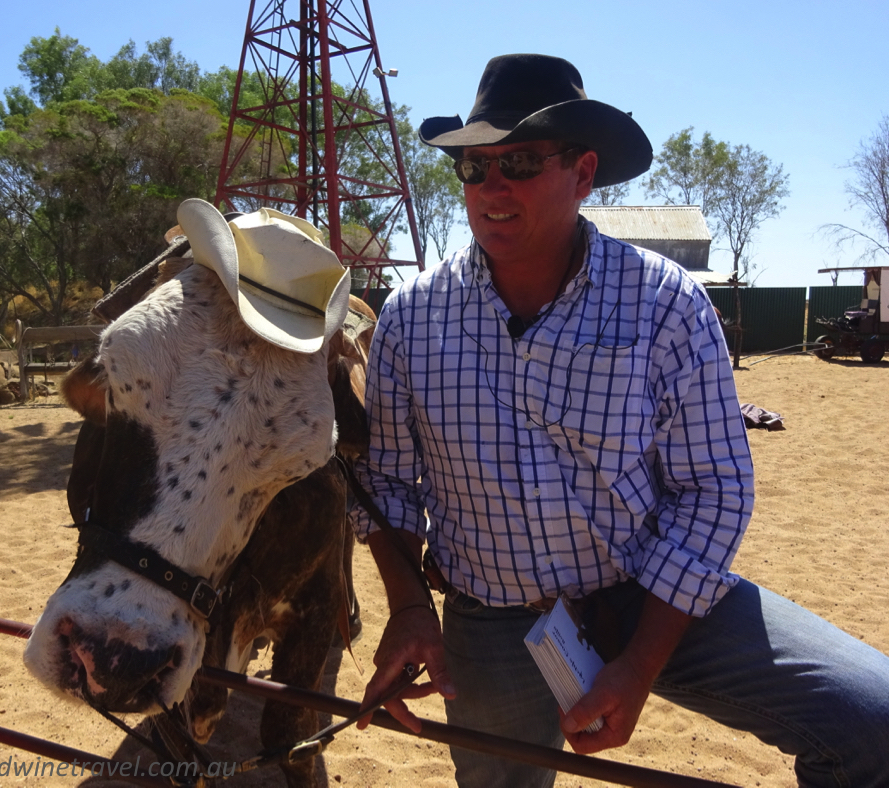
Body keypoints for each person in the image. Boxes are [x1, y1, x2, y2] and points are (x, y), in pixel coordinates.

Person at [349, 54, 889, 787]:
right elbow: (384, 484)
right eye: (474, 167)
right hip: (492, 612)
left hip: (650, 594)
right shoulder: (410, 322)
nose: (492, 186)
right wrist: (411, 605)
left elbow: (714, 489)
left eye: (522, 160)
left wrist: (637, 666)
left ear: (584, 172)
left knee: (874, 720)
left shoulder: (666, 304)